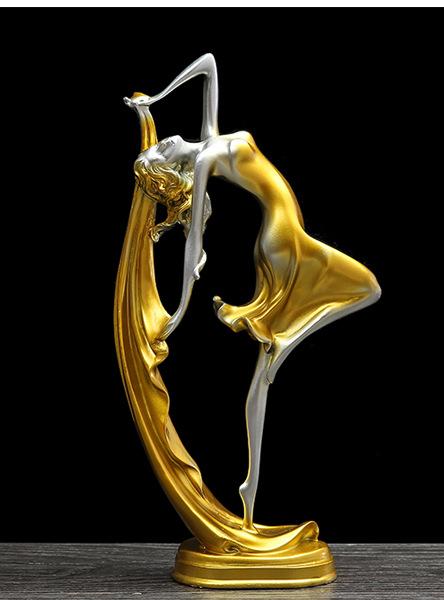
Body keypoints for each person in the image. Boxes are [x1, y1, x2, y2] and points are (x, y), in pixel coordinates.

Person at [126, 53, 381, 531]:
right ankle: (286, 341)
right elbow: (195, 245)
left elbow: (209, 64)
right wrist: (179, 307)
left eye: (158, 144)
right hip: (283, 239)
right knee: (367, 287)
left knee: (271, 363)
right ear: (173, 167)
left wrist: (154, 101)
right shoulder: (205, 160)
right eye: (160, 151)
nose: (165, 143)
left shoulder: (210, 136)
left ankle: (250, 486)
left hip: (285, 239)